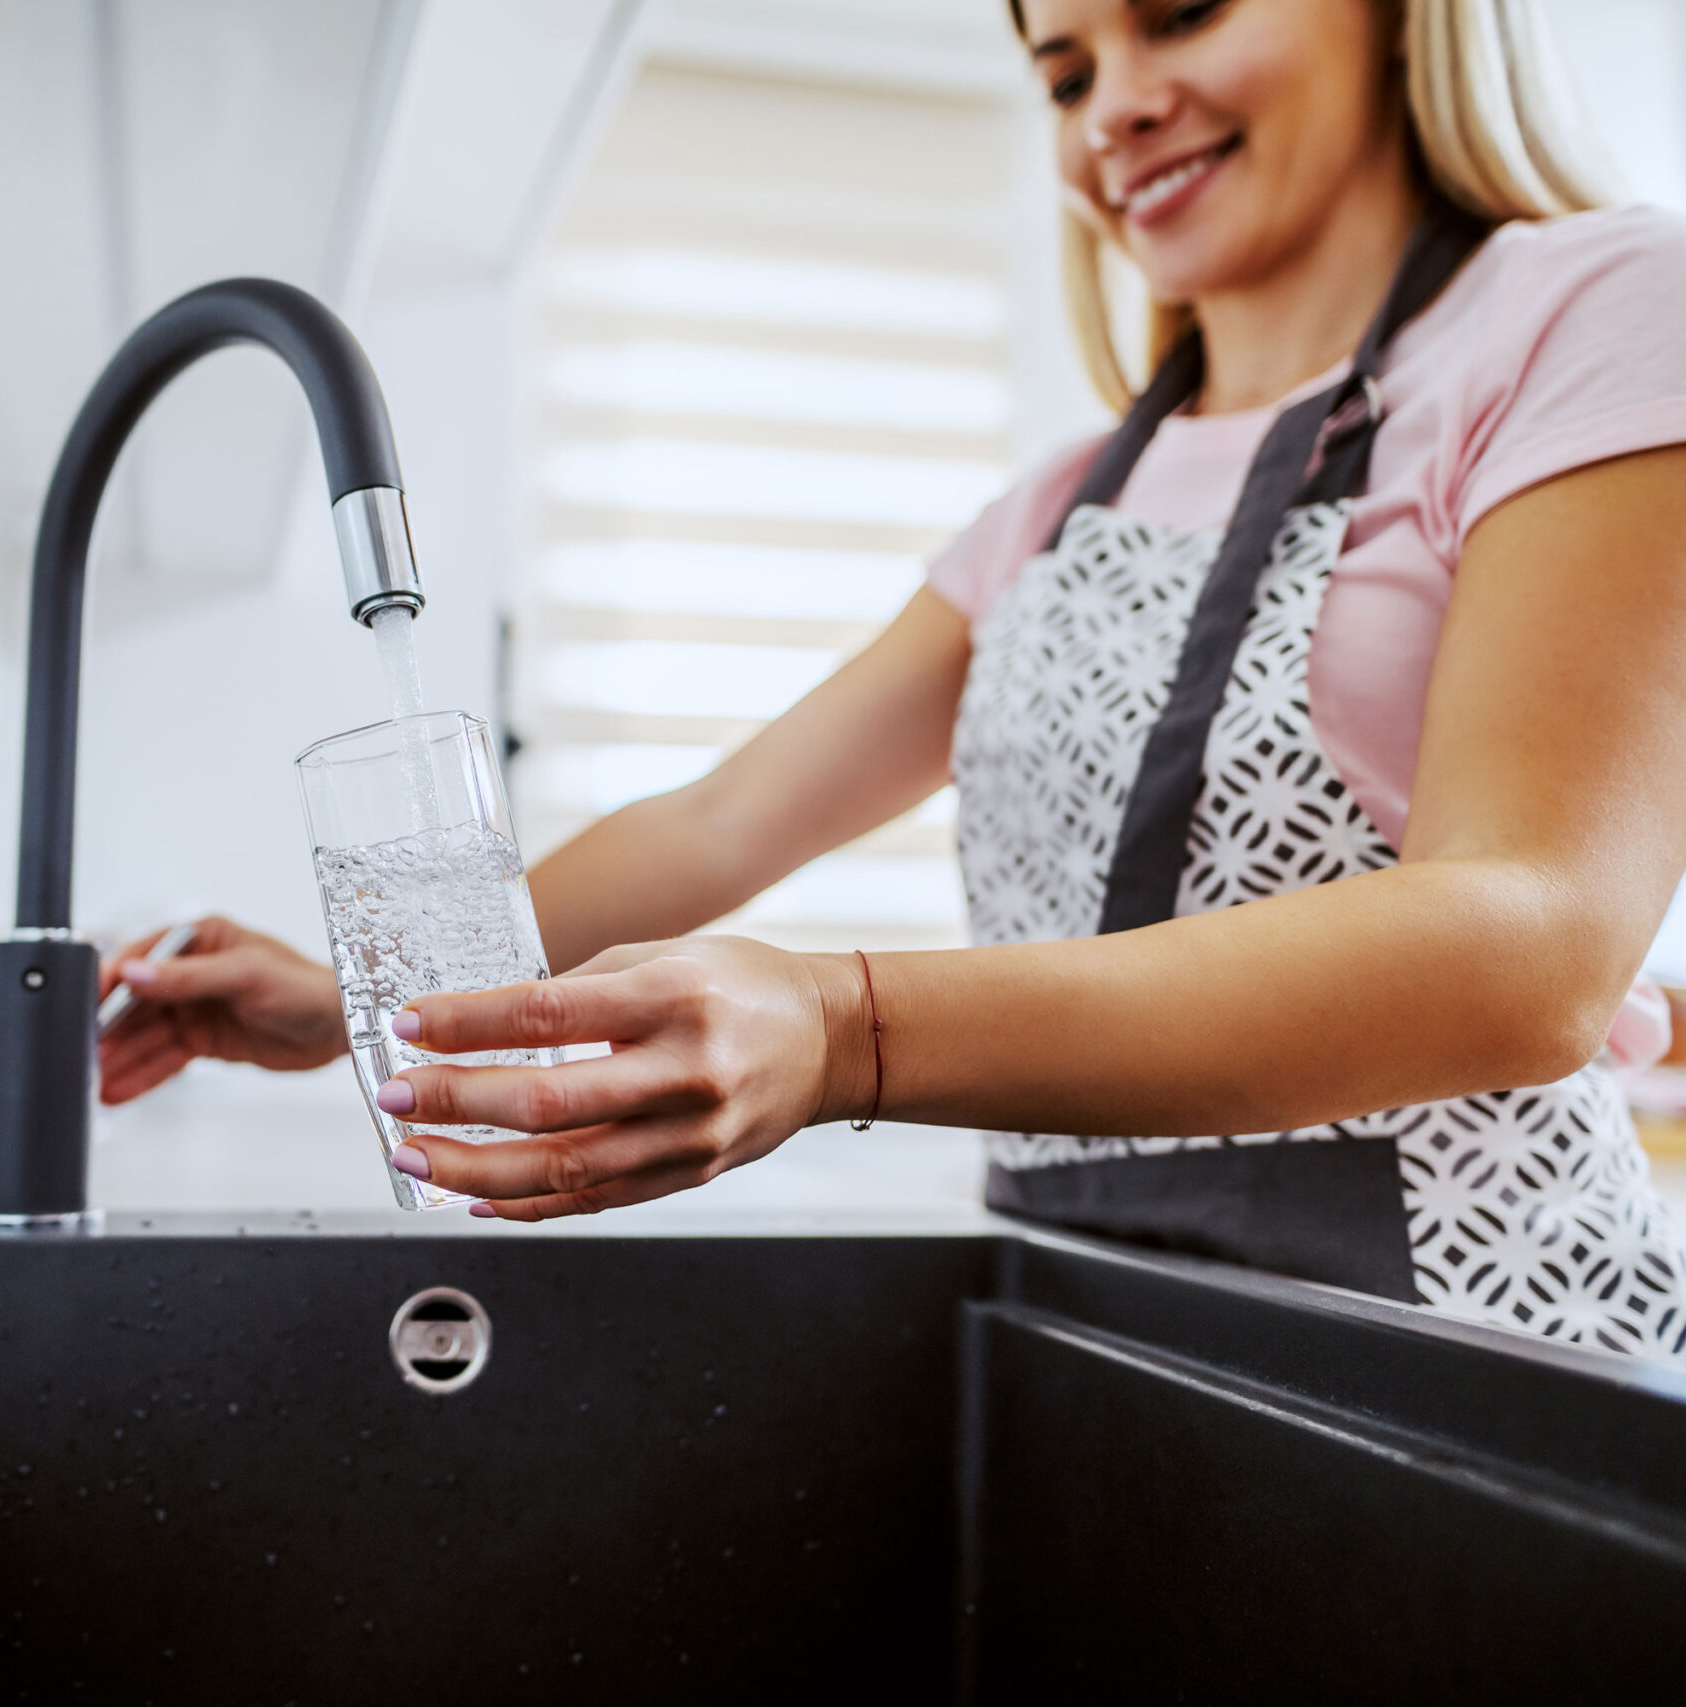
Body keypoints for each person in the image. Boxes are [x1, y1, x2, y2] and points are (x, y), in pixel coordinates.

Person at [95, 0, 1686, 1359]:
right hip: (1112, 1328)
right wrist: (351, 1000)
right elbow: (722, 825)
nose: (1117, 105)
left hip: (1479, 1343)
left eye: (1183, 10)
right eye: (1064, 74)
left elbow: (1532, 938)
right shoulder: (1062, 508)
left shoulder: (1594, 313)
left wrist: (846, 1027)